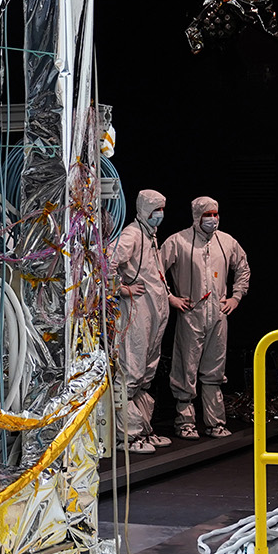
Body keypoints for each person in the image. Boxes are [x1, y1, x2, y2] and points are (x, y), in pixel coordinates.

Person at [162, 196, 251, 439]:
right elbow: (156, 271)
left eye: (215, 214)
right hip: (191, 314)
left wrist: (236, 297)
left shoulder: (227, 242)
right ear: (196, 217)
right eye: (207, 215)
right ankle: (185, 422)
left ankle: (215, 422)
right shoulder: (178, 241)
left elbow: (243, 268)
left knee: (214, 369)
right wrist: (171, 298)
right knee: (185, 368)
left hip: (218, 314)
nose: (213, 219)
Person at [111, 190, 173, 453]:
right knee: (131, 372)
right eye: (156, 209)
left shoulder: (150, 236)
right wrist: (122, 289)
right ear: (145, 209)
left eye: (162, 209)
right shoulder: (132, 235)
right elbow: (107, 262)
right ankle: (128, 436)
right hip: (136, 313)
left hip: (153, 312)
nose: (160, 214)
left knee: (146, 373)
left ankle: (143, 429)